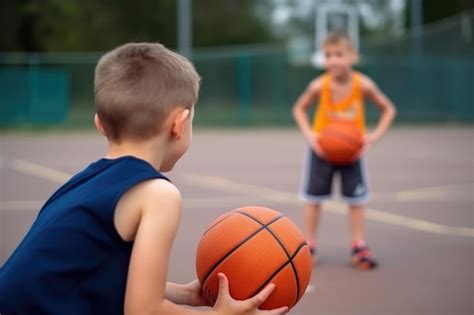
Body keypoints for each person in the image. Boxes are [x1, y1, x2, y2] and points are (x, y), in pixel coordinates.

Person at [0, 43, 288, 314]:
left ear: (99, 123)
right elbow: (143, 310)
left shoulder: (84, 181)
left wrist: (188, 295)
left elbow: (99, 276)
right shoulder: (157, 194)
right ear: (179, 124)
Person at [292, 31, 396, 270]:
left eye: (339, 54)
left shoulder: (363, 84)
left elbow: (388, 109)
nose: (333, 60)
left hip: (352, 153)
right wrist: (311, 135)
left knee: (356, 200)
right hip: (322, 152)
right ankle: (309, 244)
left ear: (353, 56)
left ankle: (358, 244)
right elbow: (299, 108)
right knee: (313, 199)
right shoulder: (319, 85)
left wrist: (373, 137)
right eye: (328, 55)